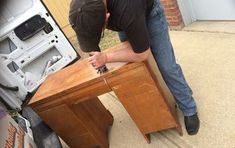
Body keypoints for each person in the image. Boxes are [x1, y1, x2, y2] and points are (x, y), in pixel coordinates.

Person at [69, 0, 200, 135]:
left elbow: (142, 54)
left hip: (149, 14)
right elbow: (89, 31)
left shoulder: (127, 8)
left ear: (107, 17)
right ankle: (158, 103)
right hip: (127, 19)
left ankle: (189, 108)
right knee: (136, 69)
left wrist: (106, 57)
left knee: (167, 67)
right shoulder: (82, 7)